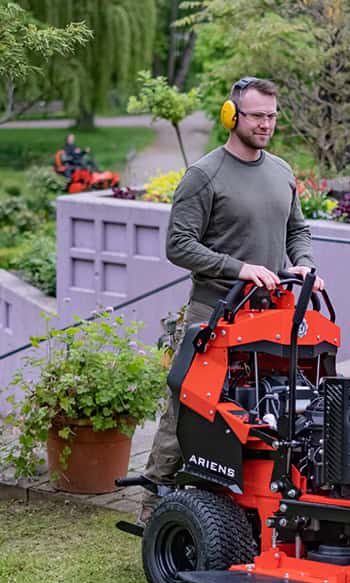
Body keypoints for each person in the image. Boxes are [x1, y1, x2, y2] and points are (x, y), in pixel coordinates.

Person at [119, 76, 324, 523]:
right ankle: (155, 507)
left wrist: (303, 263)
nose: (265, 124)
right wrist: (238, 268)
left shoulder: (282, 172)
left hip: (270, 319)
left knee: (266, 408)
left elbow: (297, 230)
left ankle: (247, 504)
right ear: (231, 117)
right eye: (256, 116)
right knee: (188, 410)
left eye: (271, 116)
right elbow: (179, 244)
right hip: (214, 312)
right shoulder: (204, 175)